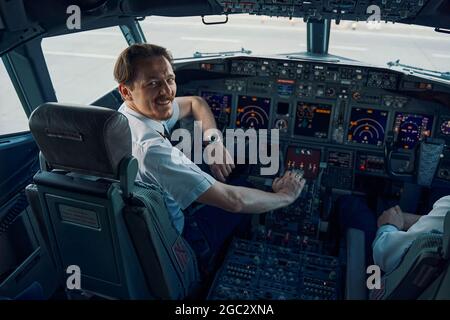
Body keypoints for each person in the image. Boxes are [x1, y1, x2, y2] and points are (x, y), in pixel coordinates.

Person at [113, 43, 305, 274]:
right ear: (126, 91)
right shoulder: (151, 149)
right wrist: (285, 196)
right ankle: (222, 262)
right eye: (153, 83)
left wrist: (214, 143)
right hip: (182, 239)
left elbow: (196, 102)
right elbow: (235, 201)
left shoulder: (130, 113)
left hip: (149, 226)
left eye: (170, 79)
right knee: (243, 189)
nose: (167, 91)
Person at [335, 194, 449, 274]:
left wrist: (388, 226)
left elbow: (385, 253)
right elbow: (443, 224)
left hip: (380, 283)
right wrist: (404, 219)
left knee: (350, 205)